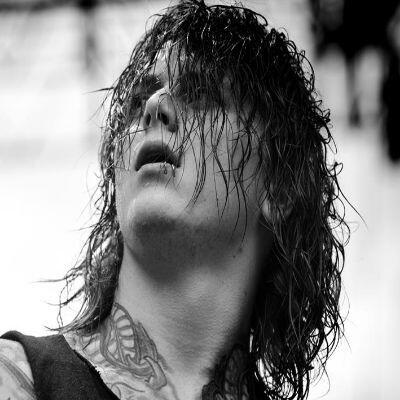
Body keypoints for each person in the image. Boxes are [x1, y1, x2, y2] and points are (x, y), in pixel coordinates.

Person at [0, 1, 349, 399]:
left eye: (202, 94)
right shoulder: (17, 377)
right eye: (137, 103)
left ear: (280, 187)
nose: (153, 107)